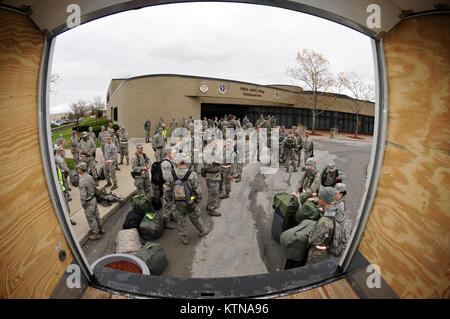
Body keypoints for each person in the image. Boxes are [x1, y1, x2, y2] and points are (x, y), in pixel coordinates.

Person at [165, 153, 209, 245]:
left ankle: (184, 237)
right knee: (195, 217)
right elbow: (198, 191)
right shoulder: (192, 174)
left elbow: (167, 190)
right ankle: (202, 230)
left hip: (177, 203)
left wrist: (171, 201)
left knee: (181, 220)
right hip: (190, 202)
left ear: (177, 162)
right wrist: (197, 200)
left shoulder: (171, 174)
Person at [306, 187, 337, 265]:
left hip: (318, 256)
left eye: (319, 198)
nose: (317, 199)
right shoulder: (335, 209)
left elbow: (313, 240)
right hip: (328, 250)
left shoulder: (324, 222)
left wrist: (309, 233)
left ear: (325, 200)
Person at [77, 162, 104, 240]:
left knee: (91, 218)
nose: (77, 170)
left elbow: (83, 195)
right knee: (97, 215)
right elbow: (94, 186)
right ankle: (101, 229)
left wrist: (83, 203)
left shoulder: (82, 180)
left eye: (78, 168)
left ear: (81, 169)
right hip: (93, 199)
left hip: (88, 201)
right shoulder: (89, 176)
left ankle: (96, 233)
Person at [160, 147, 177, 229]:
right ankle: (166, 221)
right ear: (168, 153)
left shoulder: (171, 161)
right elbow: (166, 177)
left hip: (173, 186)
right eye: (173, 153)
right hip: (168, 187)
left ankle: (172, 215)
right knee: (167, 204)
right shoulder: (166, 163)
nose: (174, 154)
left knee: (172, 202)